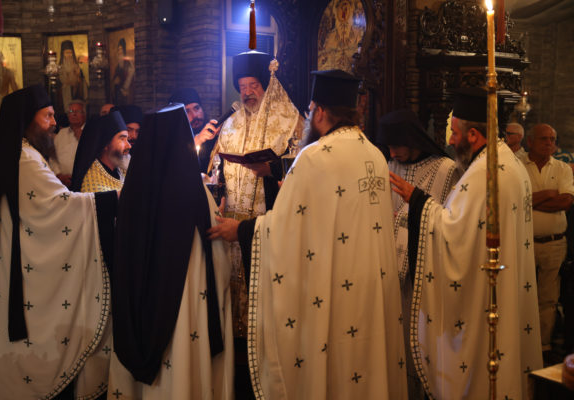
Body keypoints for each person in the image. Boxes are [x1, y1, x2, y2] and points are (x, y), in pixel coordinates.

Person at [209, 70, 407, 399]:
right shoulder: (374, 154)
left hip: (334, 289)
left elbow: (285, 229)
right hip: (370, 290)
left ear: (321, 112)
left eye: (311, 109)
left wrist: (240, 230)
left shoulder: (314, 157)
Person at [390, 88, 542, 399]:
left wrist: (417, 200)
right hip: (504, 287)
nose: (449, 140)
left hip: (486, 298)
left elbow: (454, 234)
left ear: (473, 135)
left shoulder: (485, 173)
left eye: (455, 133)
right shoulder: (508, 162)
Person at [0, 84, 117, 399]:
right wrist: (113, 199)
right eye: (48, 116)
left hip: (20, 256)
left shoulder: (22, 153)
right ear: (29, 119)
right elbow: (60, 206)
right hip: (24, 265)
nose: (55, 122)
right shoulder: (25, 158)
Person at [107, 103, 233, 399]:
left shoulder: (134, 187)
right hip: (188, 300)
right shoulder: (194, 190)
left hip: (143, 301)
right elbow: (217, 251)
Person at [214, 50, 302, 397]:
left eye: (253, 85)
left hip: (268, 229)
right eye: (242, 86)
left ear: (267, 85)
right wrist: (221, 194)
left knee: (265, 312)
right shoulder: (230, 123)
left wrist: (272, 169)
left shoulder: (291, 120)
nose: (247, 92)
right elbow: (219, 170)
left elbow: (302, 172)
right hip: (231, 228)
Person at [377, 108, 459, 398]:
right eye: (388, 147)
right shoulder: (389, 165)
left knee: (419, 344)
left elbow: (451, 222)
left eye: (397, 146)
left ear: (413, 140)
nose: (392, 153)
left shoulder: (447, 170)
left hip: (423, 274)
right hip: (388, 271)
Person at [522, 123, 574, 362]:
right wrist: (549, 194)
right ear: (530, 142)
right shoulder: (518, 166)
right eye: (544, 139)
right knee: (523, 294)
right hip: (525, 242)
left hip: (554, 244)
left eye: (552, 139)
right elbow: (517, 201)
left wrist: (532, 201)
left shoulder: (562, 168)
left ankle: (543, 347)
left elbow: (565, 202)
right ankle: (522, 343)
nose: (549, 143)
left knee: (548, 297)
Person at [71, 111, 130, 193]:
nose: (129, 146)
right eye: (122, 139)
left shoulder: (121, 168)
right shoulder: (92, 182)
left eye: (127, 139)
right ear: (106, 144)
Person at [168, 87, 220, 173]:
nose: (195, 115)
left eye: (196, 108)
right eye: (187, 111)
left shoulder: (212, 133)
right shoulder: (172, 141)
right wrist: (197, 140)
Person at [50, 100, 87, 187]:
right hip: (62, 182)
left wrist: (82, 140)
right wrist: (59, 175)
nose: (74, 114)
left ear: (85, 114)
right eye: (71, 111)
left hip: (86, 182)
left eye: (77, 111)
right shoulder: (61, 133)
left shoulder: (91, 132)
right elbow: (53, 157)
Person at [57, 40, 89, 114]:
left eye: (70, 53)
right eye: (67, 53)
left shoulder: (77, 66)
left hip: (76, 94)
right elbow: (58, 84)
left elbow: (82, 82)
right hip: (64, 94)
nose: (69, 55)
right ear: (63, 54)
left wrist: (78, 76)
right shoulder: (59, 68)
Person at [111, 38, 135, 105]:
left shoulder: (128, 63)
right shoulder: (117, 66)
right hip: (118, 93)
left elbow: (131, 75)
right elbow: (114, 81)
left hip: (126, 93)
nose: (119, 53)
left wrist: (124, 88)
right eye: (118, 50)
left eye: (121, 51)